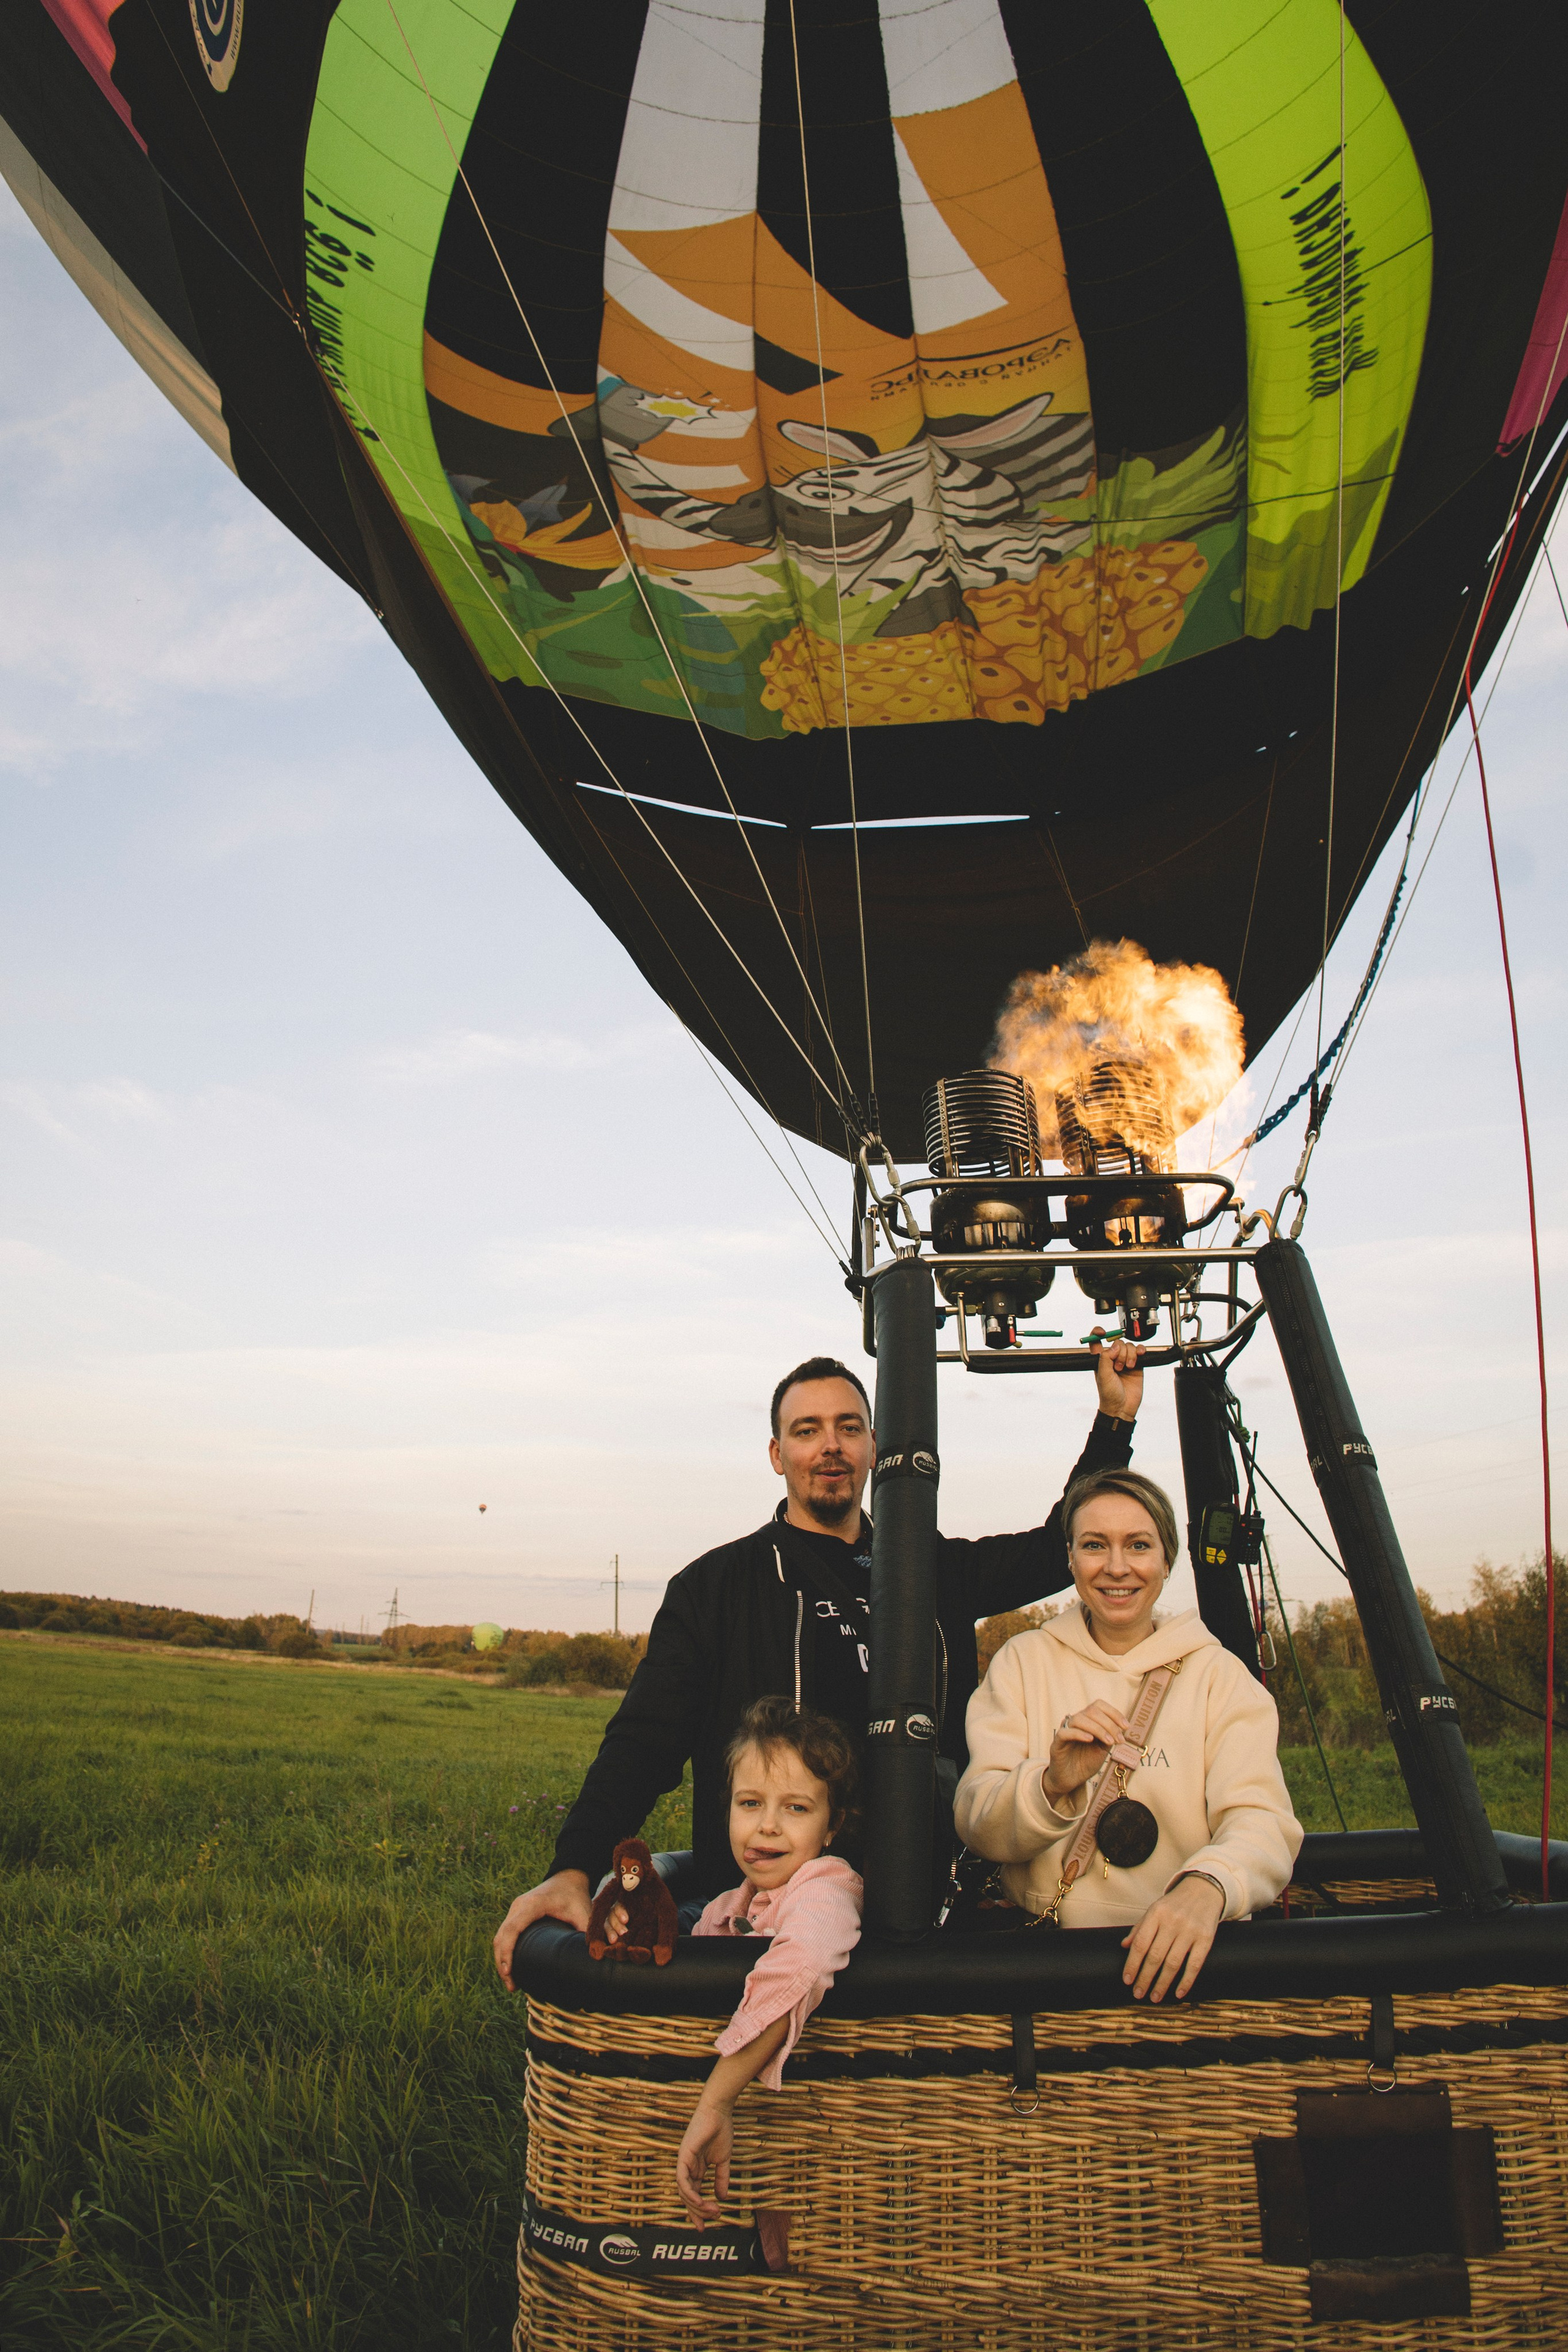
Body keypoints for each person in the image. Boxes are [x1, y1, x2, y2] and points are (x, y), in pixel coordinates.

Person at [494, 1338, 1144, 1987]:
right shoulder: (716, 1588)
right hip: (771, 1913)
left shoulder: (930, 1568)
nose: (829, 1446)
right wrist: (573, 1869)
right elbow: (642, 1744)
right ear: (778, 1456)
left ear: (874, 1449)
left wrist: (1113, 1423)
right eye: (806, 1431)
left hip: (927, 1911)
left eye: (847, 1428)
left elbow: (1057, 1547)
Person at [954, 1469, 1302, 2003]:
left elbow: (1262, 1822)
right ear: (1070, 1559)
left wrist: (1209, 1886)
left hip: (1187, 1967)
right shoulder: (1022, 1664)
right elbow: (978, 1823)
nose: (1117, 1568)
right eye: (1095, 1545)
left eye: (1139, 1545)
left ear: (1167, 1558)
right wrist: (1050, 1785)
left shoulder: (1220, 1677)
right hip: (1050, 1971)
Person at [676, 1697, 861, 2223]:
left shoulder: (826, 1888)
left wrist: (716, 2100)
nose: (768, 1827)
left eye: (797, 1808)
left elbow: (801, 1963)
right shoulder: (731, 1905)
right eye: (750, 1803)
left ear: (832, 1826)